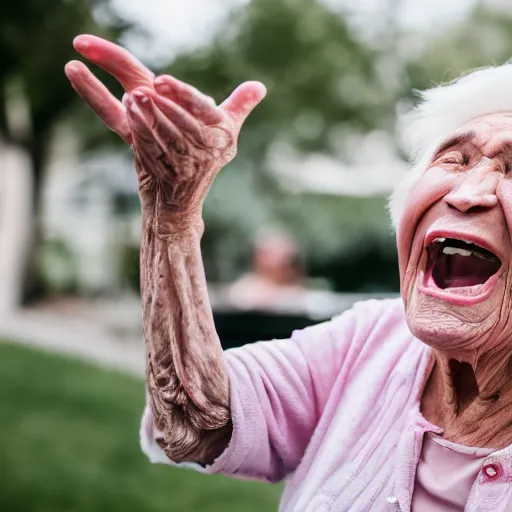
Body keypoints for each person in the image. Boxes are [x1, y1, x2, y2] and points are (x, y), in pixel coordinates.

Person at [66, 34, 512, 511]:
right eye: (455, 159)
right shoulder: (369, 342)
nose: (469, 192)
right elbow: (193, 423)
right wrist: (171, 216)